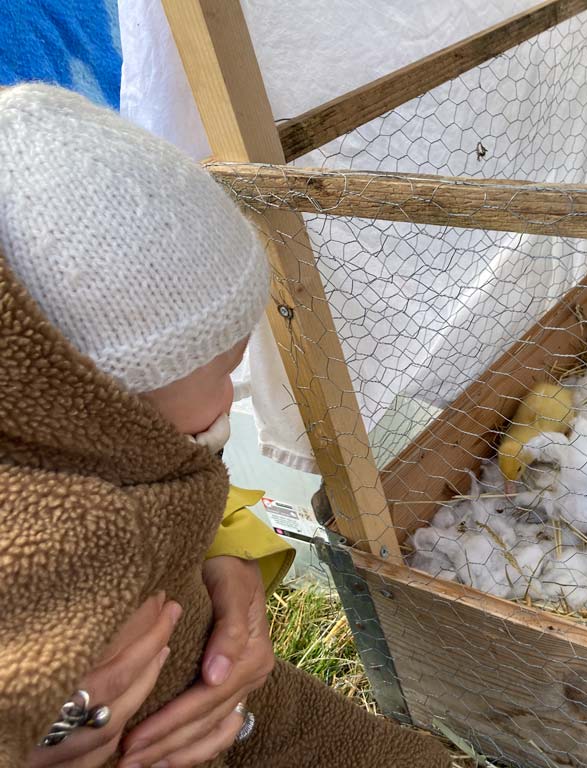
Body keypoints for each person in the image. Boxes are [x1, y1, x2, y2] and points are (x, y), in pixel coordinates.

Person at [0, 83, 449, 768]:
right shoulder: (57, 538)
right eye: (219, 370)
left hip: (242, 708)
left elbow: (175, 494)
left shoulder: (115, 460)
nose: (233, 391)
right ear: (84, 400)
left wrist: (225, 558)